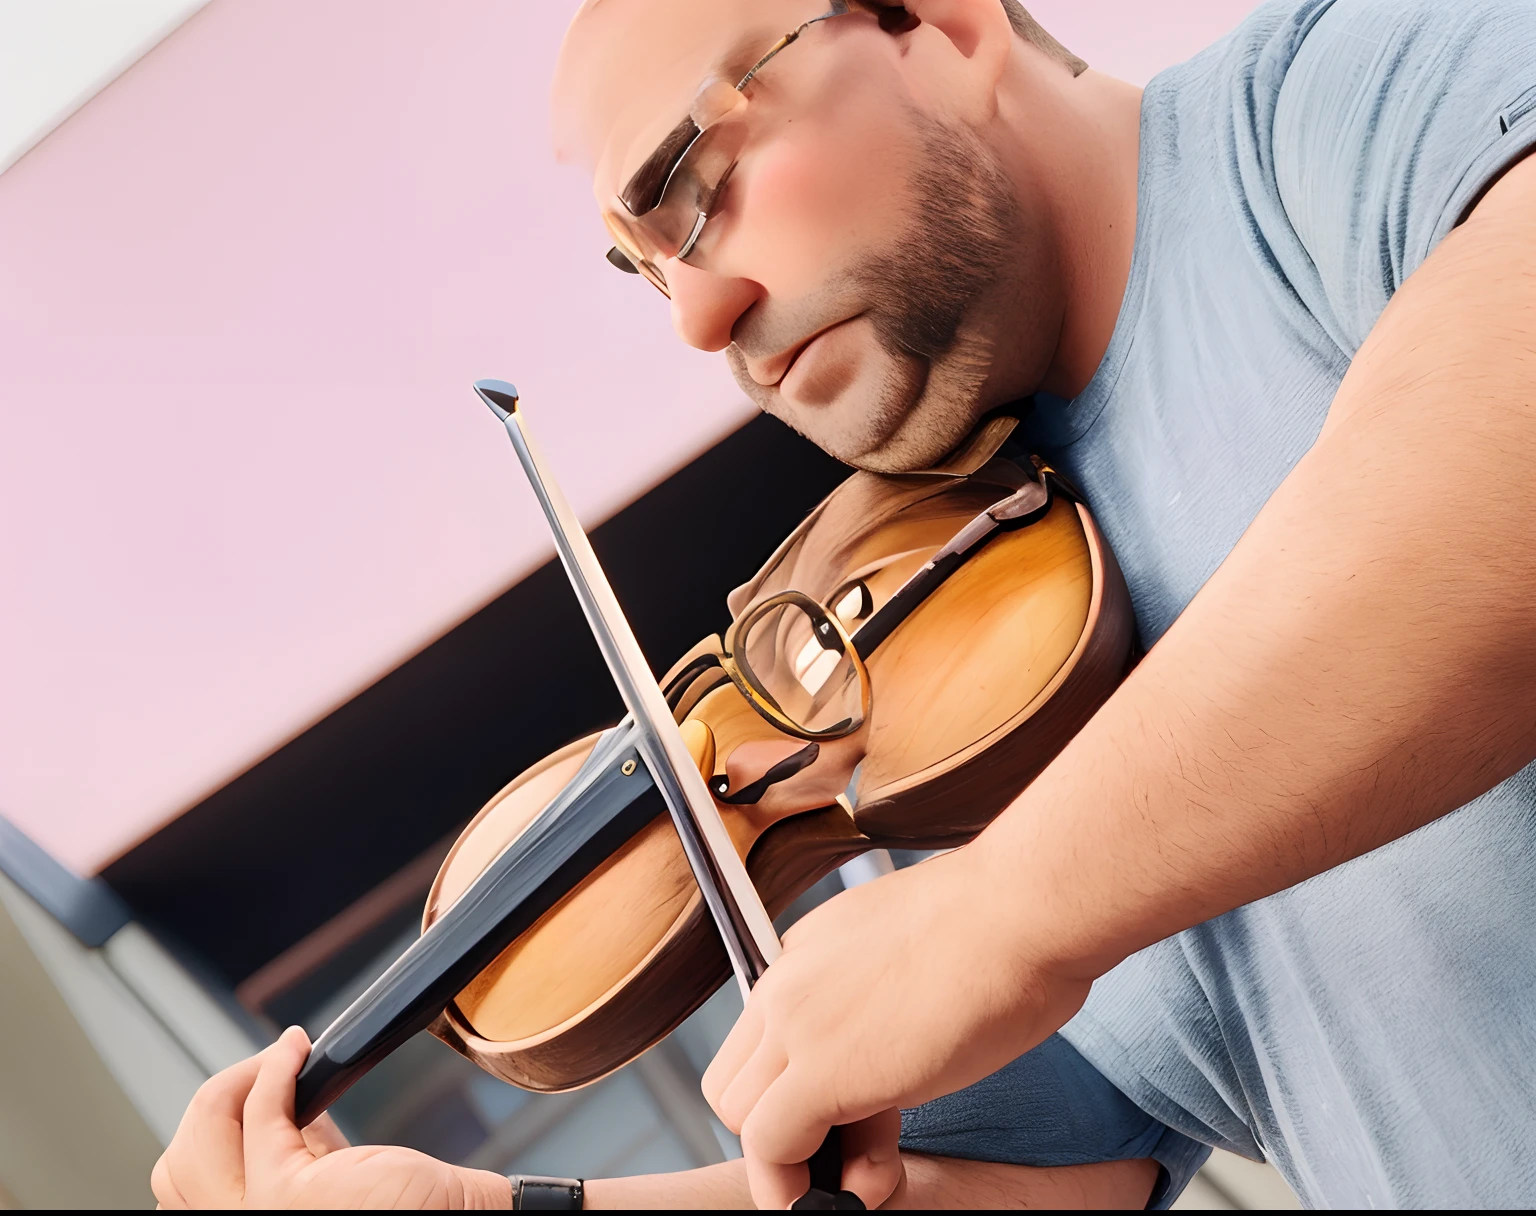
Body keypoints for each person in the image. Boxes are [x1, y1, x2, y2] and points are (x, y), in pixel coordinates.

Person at [152, 0, 1536, 1207]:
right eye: (647, 271)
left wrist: (1007, 912)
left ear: (940, 25)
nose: (697, 317)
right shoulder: (919, 682)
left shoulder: (1320, 113)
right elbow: (1034, 1186)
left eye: (694, 190)